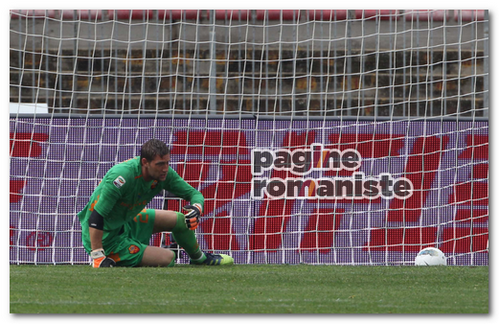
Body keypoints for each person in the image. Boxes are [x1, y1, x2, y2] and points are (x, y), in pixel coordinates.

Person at [77, 138, 234, 268]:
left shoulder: (164, 174)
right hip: (105, 237)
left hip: (126, 222)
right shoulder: (122, 177)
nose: (165, 168)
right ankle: (115, 256)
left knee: (179, 220)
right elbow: (96, 217)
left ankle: (199, 258)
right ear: (145, 162)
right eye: (160, 164)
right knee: (168, 258)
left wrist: (197, 208)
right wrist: (97, 255)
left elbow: (194, 194)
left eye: (167, 162)